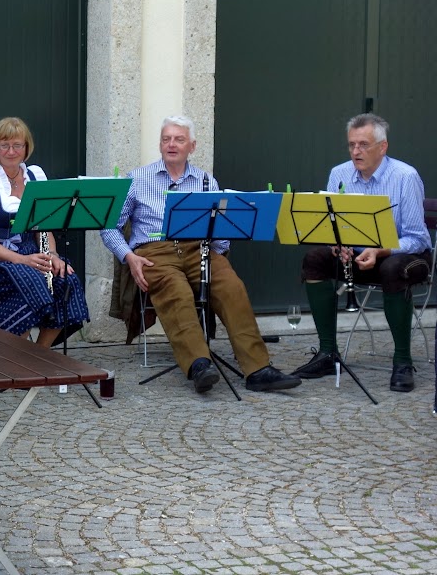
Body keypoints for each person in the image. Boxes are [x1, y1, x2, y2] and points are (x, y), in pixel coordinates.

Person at [100, 115, 301, 394]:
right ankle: (198, 365)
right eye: (166, 138)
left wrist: (218, 258)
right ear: (160, 144)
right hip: (154, 251)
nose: (172, 144)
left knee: (232, 287)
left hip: (200, 249)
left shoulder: (207, 180)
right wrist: (128, 257)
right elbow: (109, 226)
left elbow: (221, 229)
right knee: (176, 291)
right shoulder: (136, 178)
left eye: (179, 139)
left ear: (192, 146)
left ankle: (258, 369)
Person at [293, 113, 430, 392]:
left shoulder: (405, 176)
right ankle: (327, 353)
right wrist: (336, 243)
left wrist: (381, 251)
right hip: (356, 256)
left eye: (364, 145)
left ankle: (403, 360)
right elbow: (331, 225)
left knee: (393, 268)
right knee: (315, 259)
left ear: (383, 147)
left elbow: (418, 238)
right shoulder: (339, 174)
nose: (356, 151)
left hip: (403, 255)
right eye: (352, 145)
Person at [0, 117, 89, 346]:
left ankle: (39, 355)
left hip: (30, 254)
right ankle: (17, 358)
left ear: (26, 147)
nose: (11, 151)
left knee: (66, 278)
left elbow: (43, 227)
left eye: (17, 145)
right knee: (32, 280)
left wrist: (53, 256)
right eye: (4, 145)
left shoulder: (35, 176)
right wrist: (23, 260)